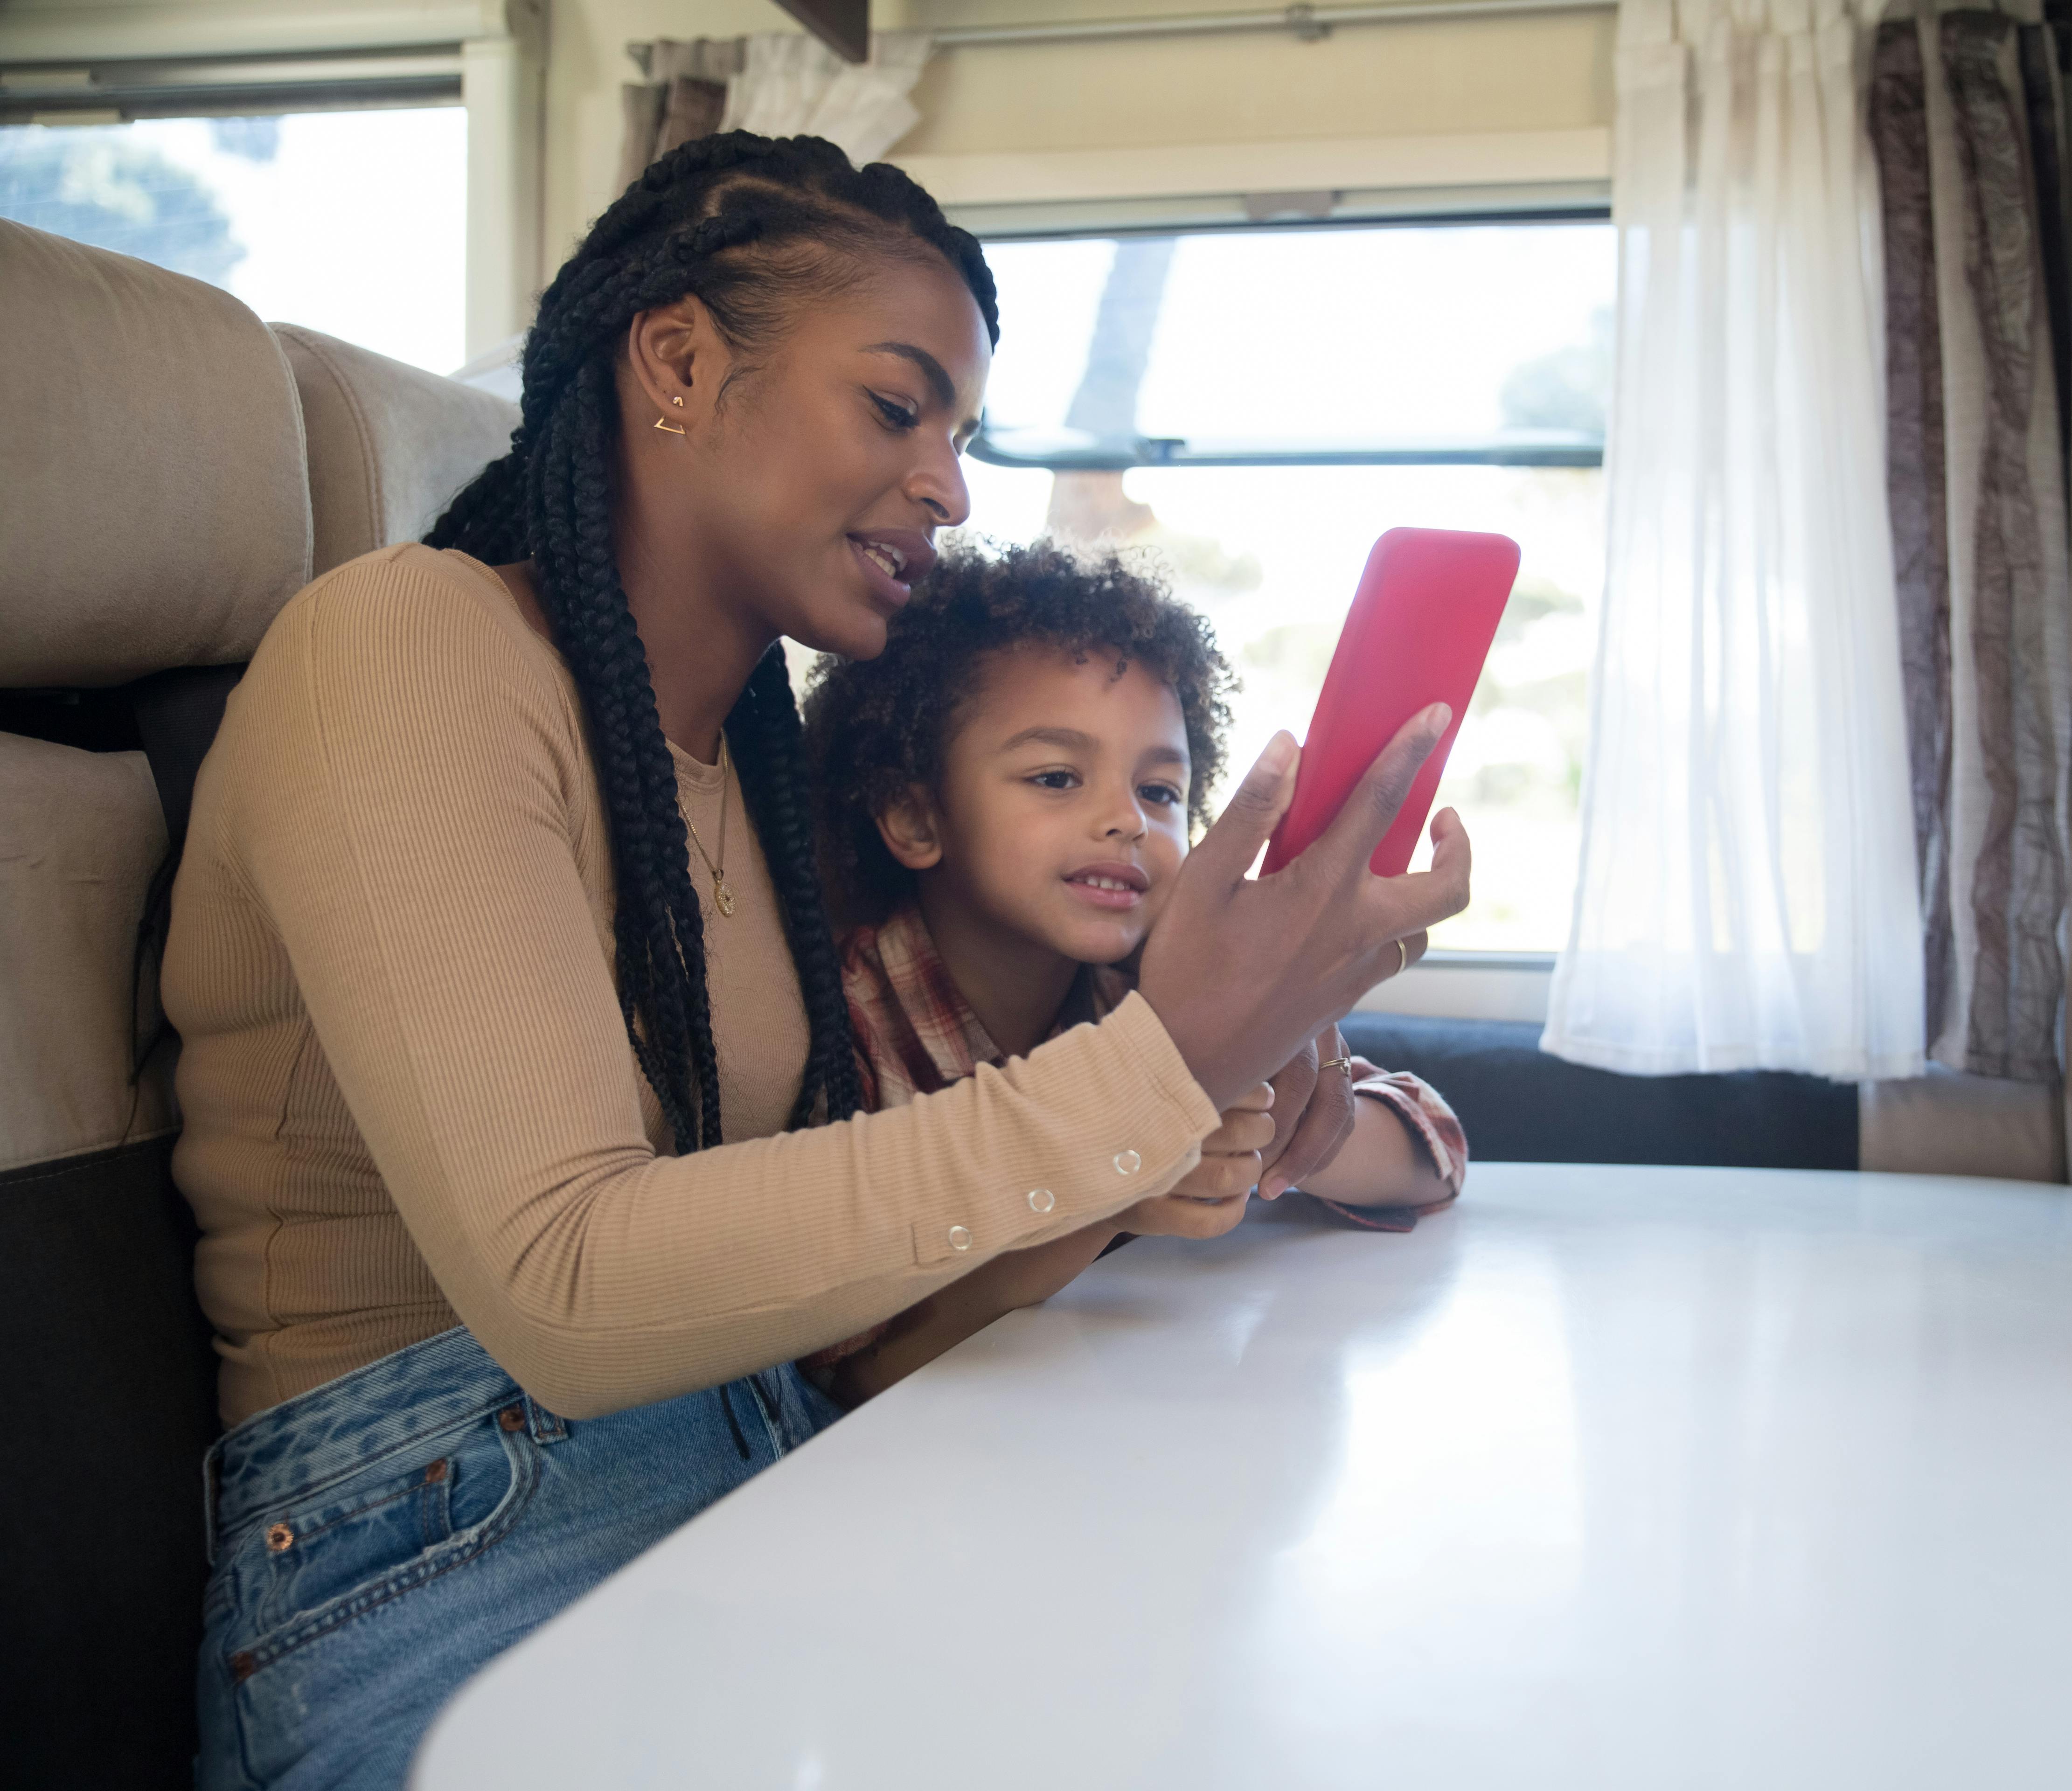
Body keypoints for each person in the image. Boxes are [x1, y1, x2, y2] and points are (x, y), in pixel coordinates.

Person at [165, 132, 1468, 1791]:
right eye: (896, 405)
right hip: (434, 1539)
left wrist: (1153, 1152)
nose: (950, 484)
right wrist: (1151, 1067)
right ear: (682, 363)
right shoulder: (403, 642)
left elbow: (805, 1312)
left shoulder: (735, 765)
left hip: (749, 1460)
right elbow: (571, 1291)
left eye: (963, 433)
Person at [795, 540, 1469, 1405]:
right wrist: (1115, 1188)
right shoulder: (843, 1031)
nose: (1125, 820)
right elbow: (850, 1374)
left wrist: (1271, 1120)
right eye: (1056, 777)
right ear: (915, 815)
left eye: (1160, 793)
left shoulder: (1155, 988)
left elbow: (1436, 1143)